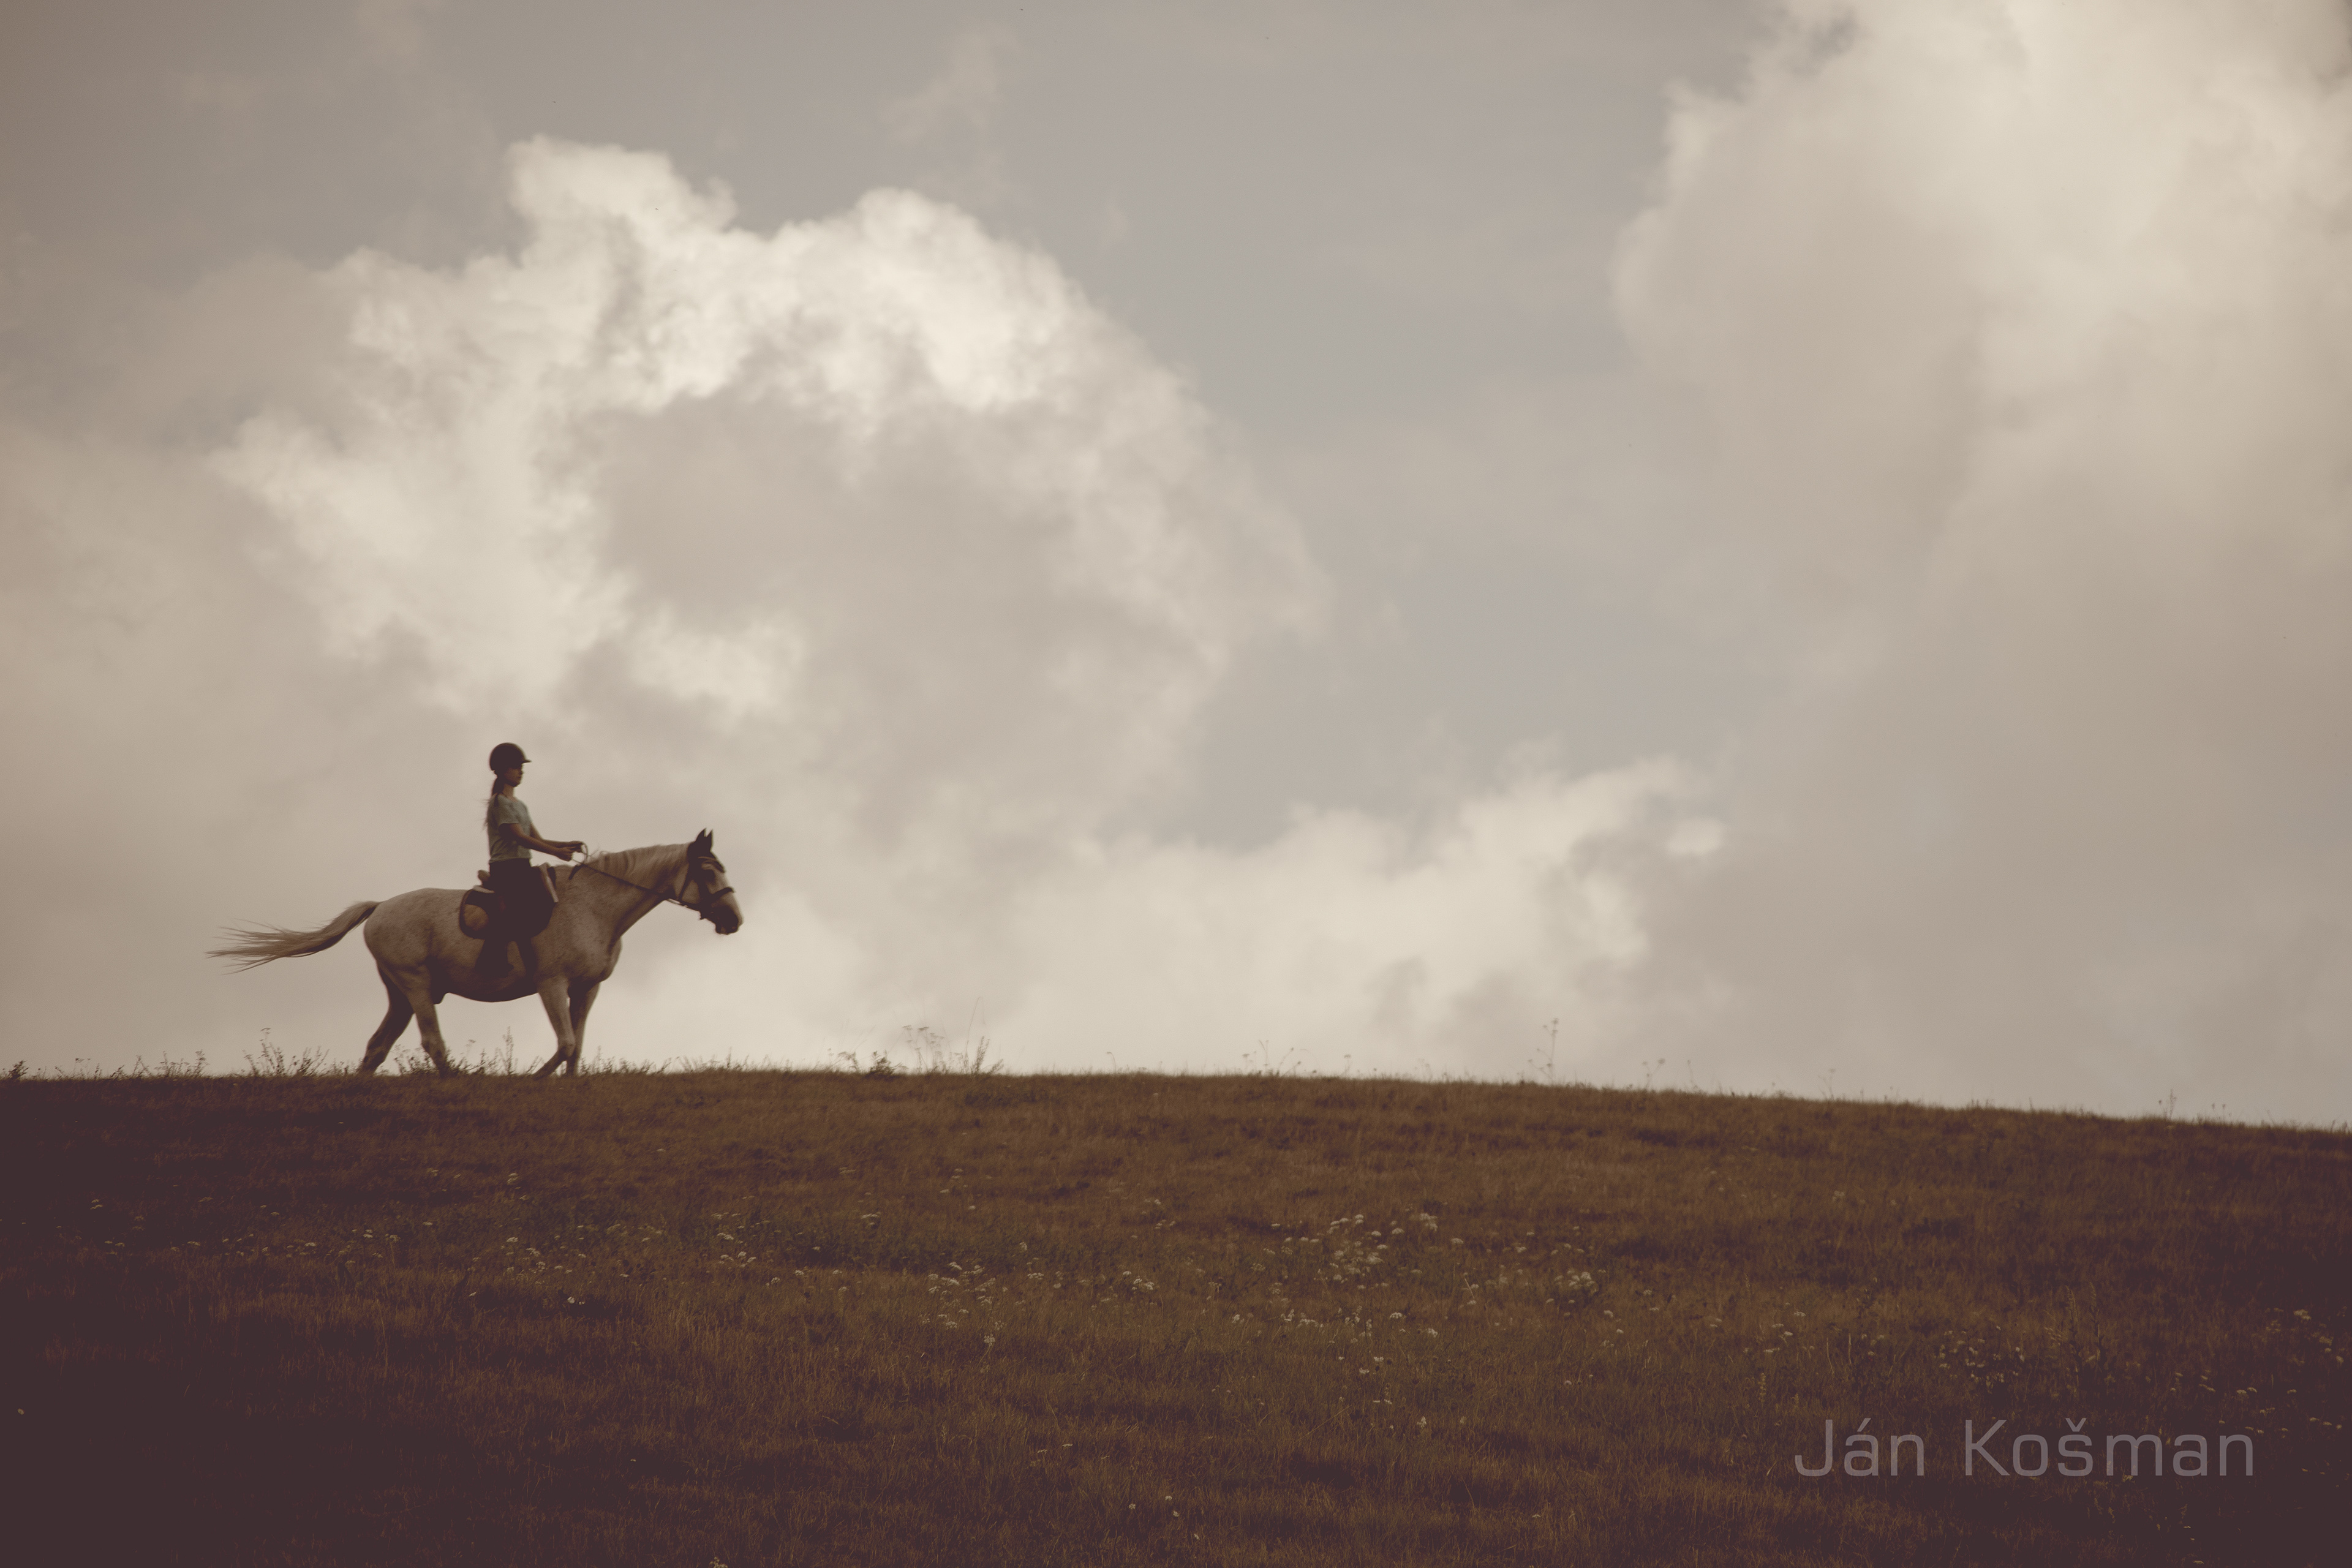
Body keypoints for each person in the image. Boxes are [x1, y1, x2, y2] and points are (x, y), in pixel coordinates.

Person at [477, 742, 584, 985]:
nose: (521, 771)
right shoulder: (499, 803)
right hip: (506, 868)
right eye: (516, 767)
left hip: (522, 866)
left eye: (521, 767)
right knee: (516, 909)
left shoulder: (520, 805)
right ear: (503, 770)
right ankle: (491, 959)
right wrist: (557, 853)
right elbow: (519, 838)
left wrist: (566, 844)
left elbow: (537, 839)